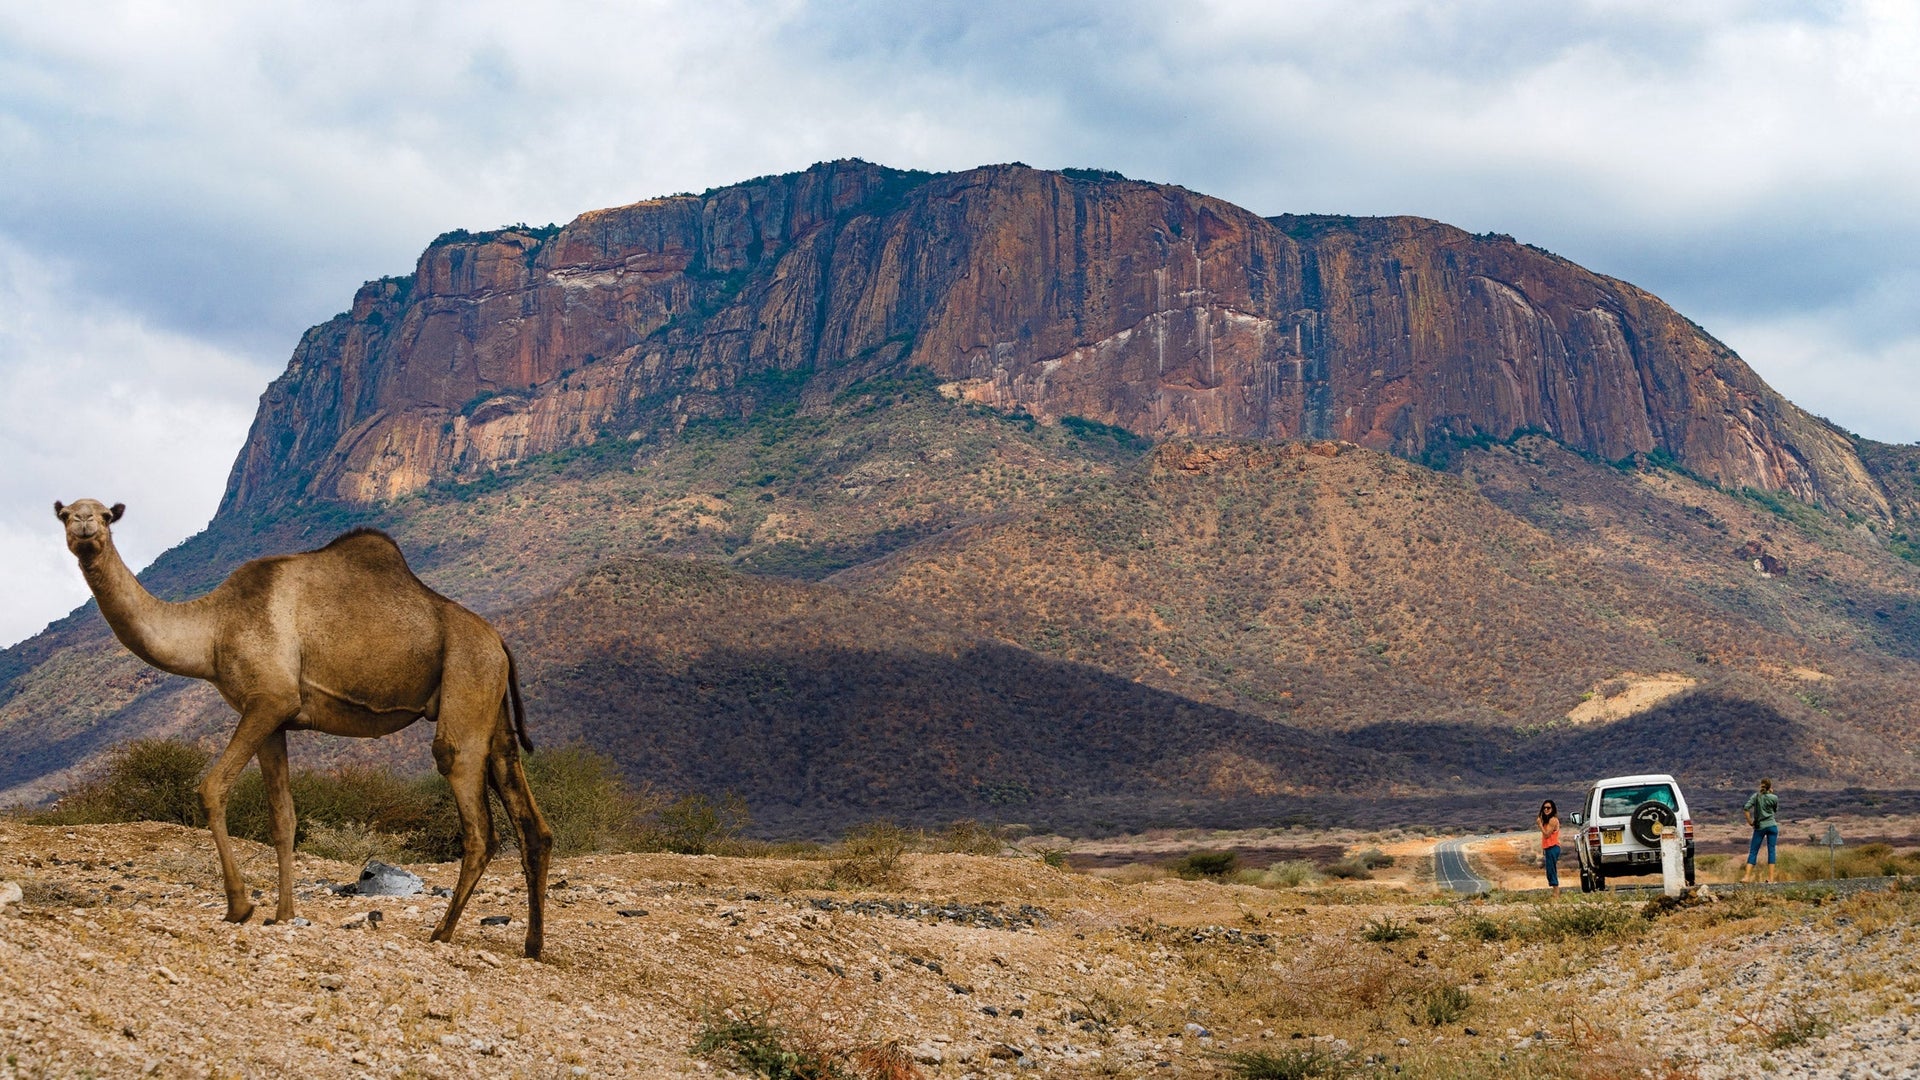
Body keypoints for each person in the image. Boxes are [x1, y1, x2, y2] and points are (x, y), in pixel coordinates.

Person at [1742, 778, 1779, 883]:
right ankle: (1771, 879)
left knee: (1753, 851)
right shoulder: (1774, 797)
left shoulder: (1756, 796)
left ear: (1761, 786)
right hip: (1772, 826)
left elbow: (1746, 808)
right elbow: (1775, 810)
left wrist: (1750, 822)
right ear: (1770, 787)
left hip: (1760, 827)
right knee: (1771, 851)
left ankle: (1747, 877)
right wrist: (1770, 794)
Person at [1537, 799, 1562, 897]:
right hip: (1548, 847)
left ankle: (1556, 893)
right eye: (1544, 808)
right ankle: (1555, 892)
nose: (1546, 810)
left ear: (1552, 809)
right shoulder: (1547, 821)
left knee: (1551, 870)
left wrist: (1540, 825)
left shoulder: (1553, 820)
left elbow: (1547, 834)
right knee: (1550, 870)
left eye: (1548, 808)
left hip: (1553, 847)